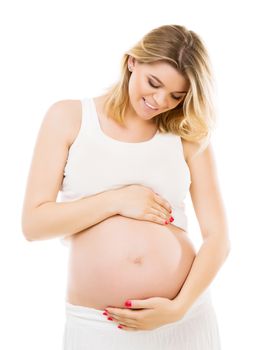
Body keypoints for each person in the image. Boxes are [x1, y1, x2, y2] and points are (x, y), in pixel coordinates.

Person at [21, 24, 230, 349]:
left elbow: (218, 238)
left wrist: (179, 308)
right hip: (99, 327)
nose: (160, 101)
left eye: (177, 95)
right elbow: (34, 225)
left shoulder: (187, 134)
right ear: (132, 61)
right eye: (154, 83)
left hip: (184, 322)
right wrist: (116, 200)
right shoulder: (69, 117)